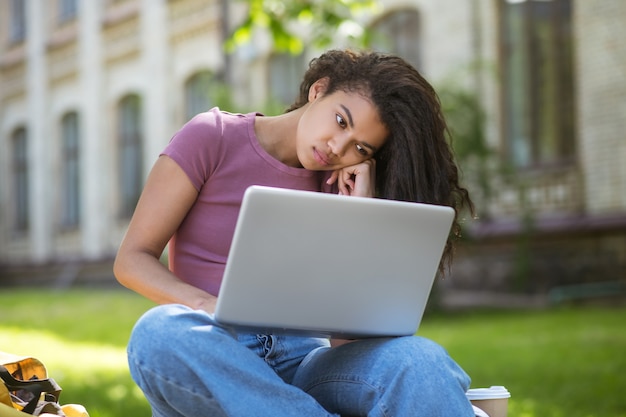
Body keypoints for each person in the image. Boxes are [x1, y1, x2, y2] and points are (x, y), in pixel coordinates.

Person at [114, 49, 476, 417]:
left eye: (360, 147)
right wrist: (206, 306)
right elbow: (132, 260)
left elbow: (345, 342)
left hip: (304, 365)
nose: (338, 147)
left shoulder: (343, 187)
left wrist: (360, 217)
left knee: (420, 360)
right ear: (318, 90)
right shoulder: (212, 137)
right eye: (340, 120)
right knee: (157, 333)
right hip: (215, 355)